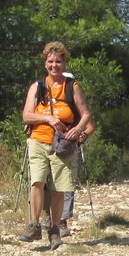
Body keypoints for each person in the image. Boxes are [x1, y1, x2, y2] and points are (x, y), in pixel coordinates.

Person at [19, 42, 92, 249]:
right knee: (37, 182)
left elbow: (86, 114)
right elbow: (26, 115)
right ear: (45, 63)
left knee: (59, 188)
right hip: (38, 140)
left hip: (62, 144)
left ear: (64, 63)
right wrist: (48, 118)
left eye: (58, 61)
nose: (54, 65)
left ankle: (55, 229)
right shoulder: (38, 86)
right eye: (50, 61)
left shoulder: (73, 87)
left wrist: (78, 130)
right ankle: (34, 225)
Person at [44, 72, 95, 237]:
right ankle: (48, 217)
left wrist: (83, 134)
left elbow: (90, 125)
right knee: (46, 182)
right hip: (46, 143)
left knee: (66, 185)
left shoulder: (75, 102)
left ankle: (62, 221)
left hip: (69, 146)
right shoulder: (45, 97)